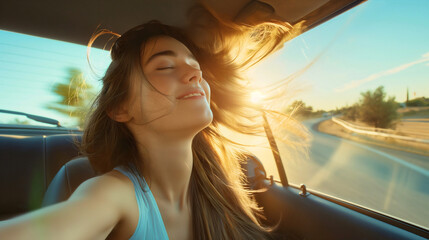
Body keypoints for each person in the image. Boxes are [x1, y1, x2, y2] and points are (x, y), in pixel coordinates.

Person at [0, 10, 301, 239]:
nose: (195, 74)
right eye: (165, 66)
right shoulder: (113, 194)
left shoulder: (225, 186)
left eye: (195, 67)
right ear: (121, 108)